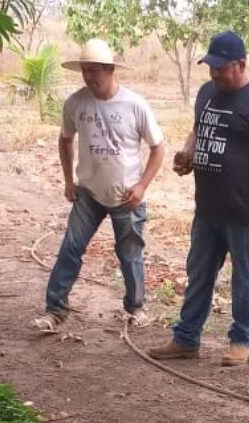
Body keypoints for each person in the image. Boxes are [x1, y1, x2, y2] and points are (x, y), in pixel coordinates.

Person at [147, 31, 249, 367]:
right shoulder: (207, 92)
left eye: (221, 68)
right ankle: (186, 339)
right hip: (208, 208)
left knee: (245, 277)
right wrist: (189, 152)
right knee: (198, 274)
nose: (214, 73)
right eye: (211, 67)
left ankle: (241, 340)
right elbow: (199, 129)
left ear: (241, 64)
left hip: (244, 211)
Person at [33, 39, 165, 333]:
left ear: (109, 70)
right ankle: (55, 310)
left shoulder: (134, 105)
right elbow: (65, 139)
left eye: (94, 70)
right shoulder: (75, 103)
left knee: (130, 254)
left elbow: (158, 148)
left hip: (126, 195)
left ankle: (136, 308)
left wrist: (142, 186)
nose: (88, 77)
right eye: (84, 71)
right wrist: (69, 180)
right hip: (88, 193)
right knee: (71, 247)